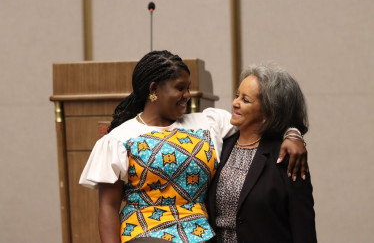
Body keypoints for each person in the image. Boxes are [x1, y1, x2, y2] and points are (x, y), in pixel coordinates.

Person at [79, 51, 307, 243]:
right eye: (180, 88)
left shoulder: (210, 123)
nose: (187, 95)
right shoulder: (119, 139)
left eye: (188, 88)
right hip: (146, 234)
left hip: (202, 236)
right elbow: (108, 207)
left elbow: (259, 117)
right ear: (154, 89)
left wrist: (293, 133)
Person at [207, 63, 317, 243]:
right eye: (237, 96)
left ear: (268, 111)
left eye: (245, 100)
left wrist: (294, 133)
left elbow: (302, 226)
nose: (235, 103)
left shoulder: (286, 155)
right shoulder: (219, 144)